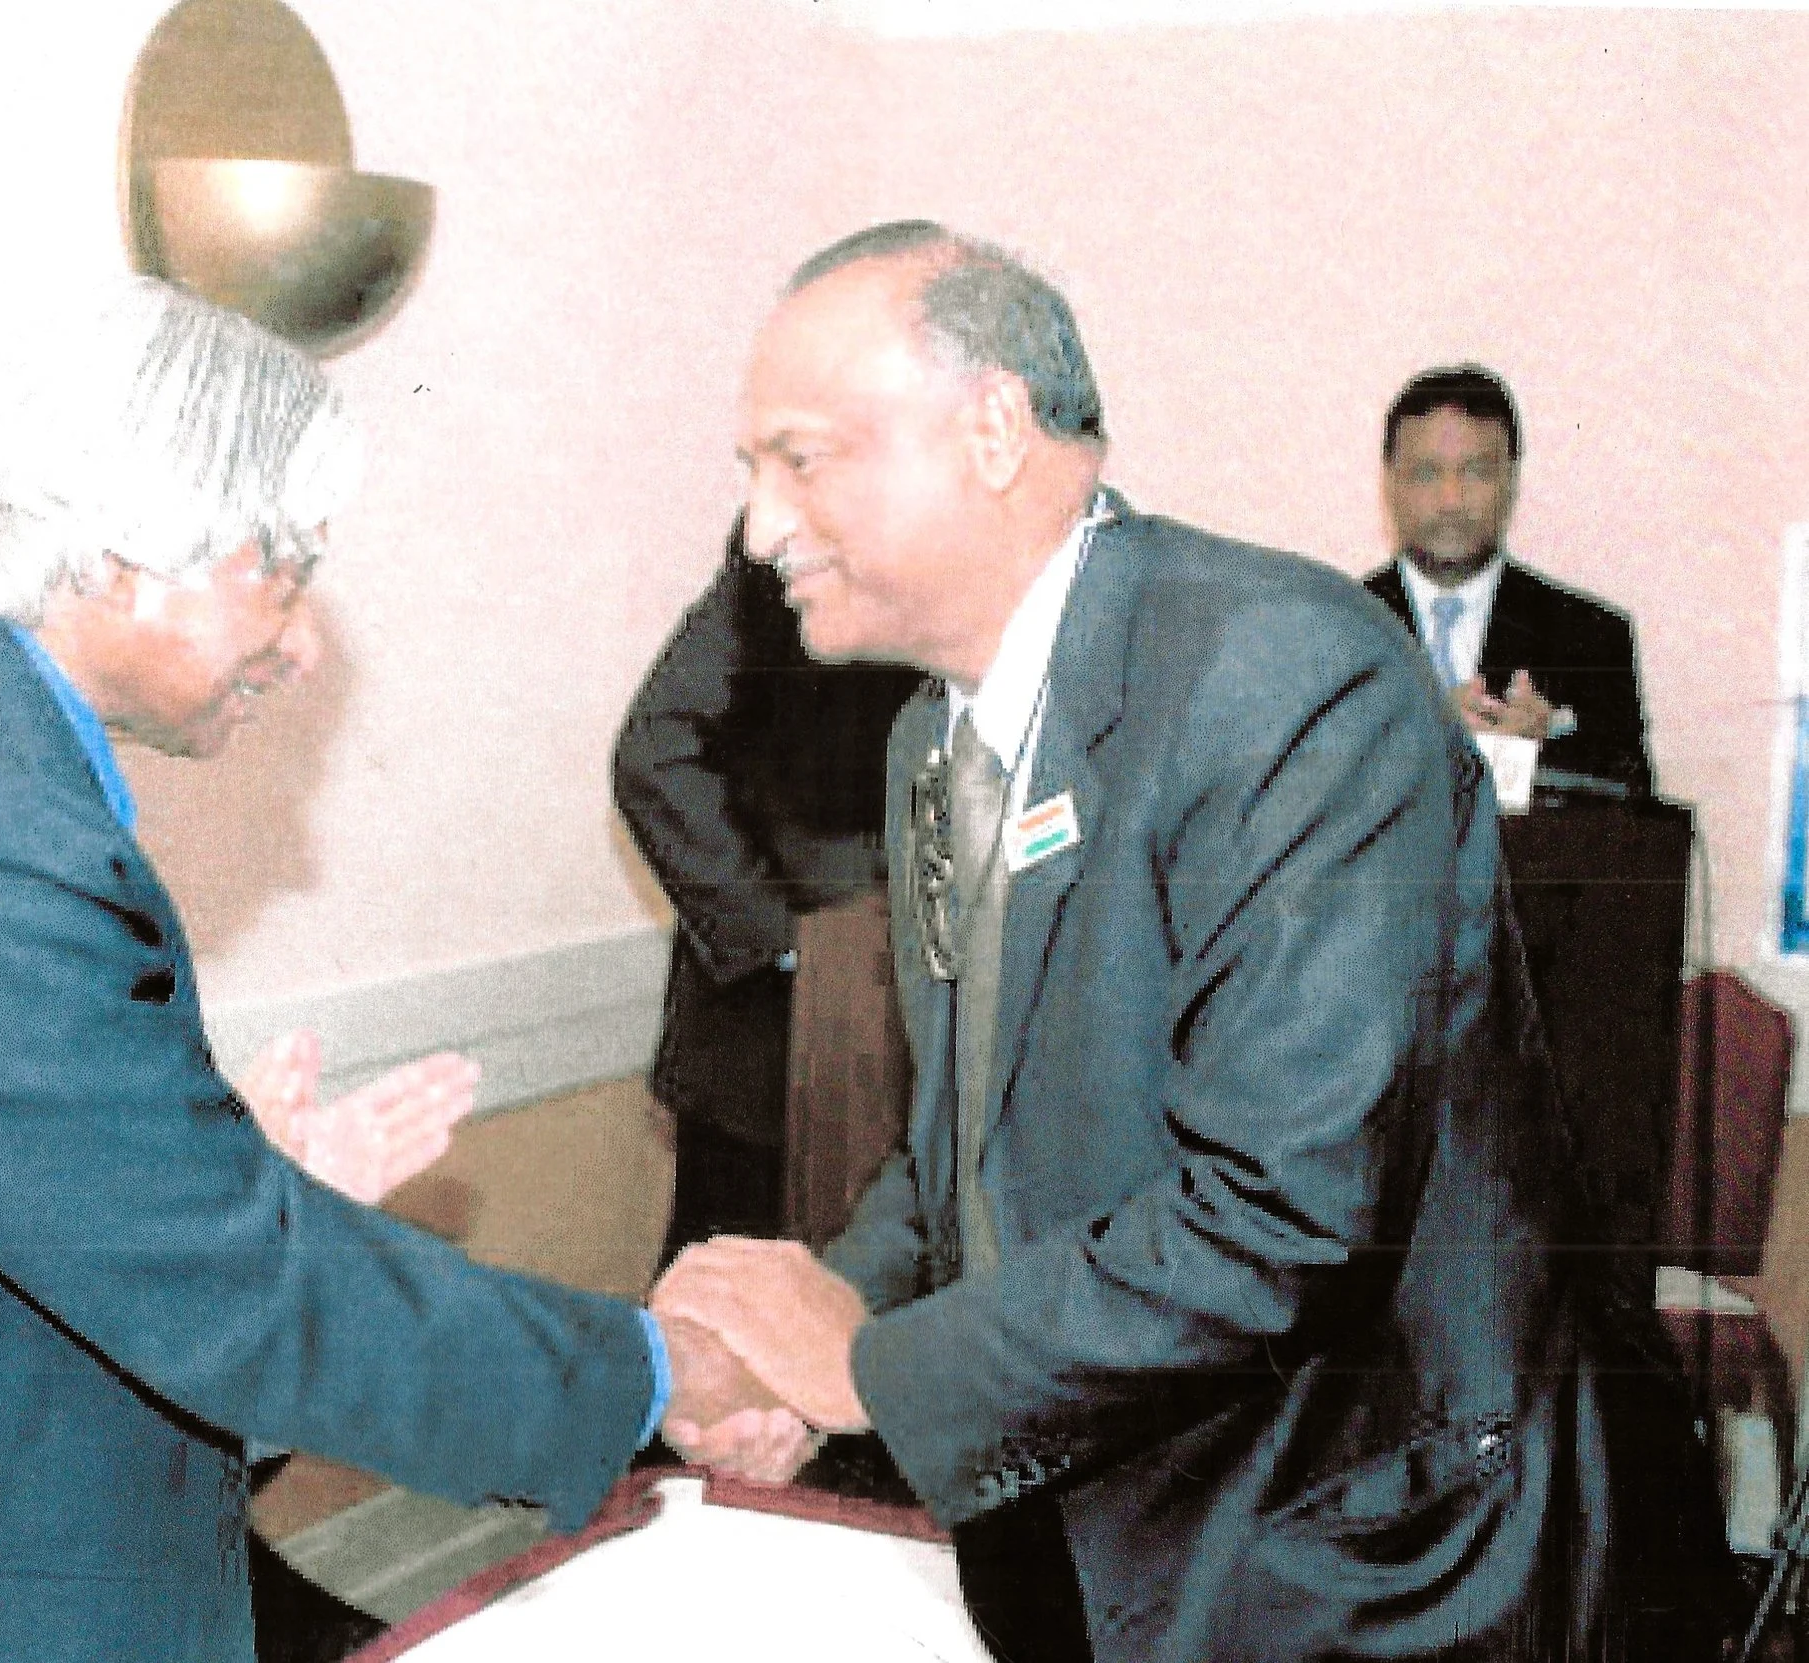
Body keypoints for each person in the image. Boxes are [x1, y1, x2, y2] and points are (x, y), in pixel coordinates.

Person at [0, 276, 796, 1663]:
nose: (299, 639)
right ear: (119, 549)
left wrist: (242, 1199)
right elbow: (237, 1284)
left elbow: (89, 1229)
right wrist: (654, 1369)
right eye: (278, 568)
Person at [651, 223, 1730, 1660]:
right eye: (751, 475)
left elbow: (1282, 1213)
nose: (762, 529)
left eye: (800, 459)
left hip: (1356, 1563)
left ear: (989, 430)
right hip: (1104, 1523)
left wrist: (865, 1366)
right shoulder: (930, 739)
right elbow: (958, 1138)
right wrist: (834, 1302)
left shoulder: (1280, 670)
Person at [614, 514, 919, 1255]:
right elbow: (658, 750)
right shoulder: (791, 540)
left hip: (904, 1053)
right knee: (717, 1326)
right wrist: (783, 941)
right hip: (761, 1052)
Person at [1362, 363, 1654, 796]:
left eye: (1476, 471)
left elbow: (1631, 801)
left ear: (1512, 479)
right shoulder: (1334, 630)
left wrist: (1536, 747)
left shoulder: (1592, 636)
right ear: (1389, 483)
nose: (1451, 500)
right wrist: (1429, 734)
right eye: (1427, 473)